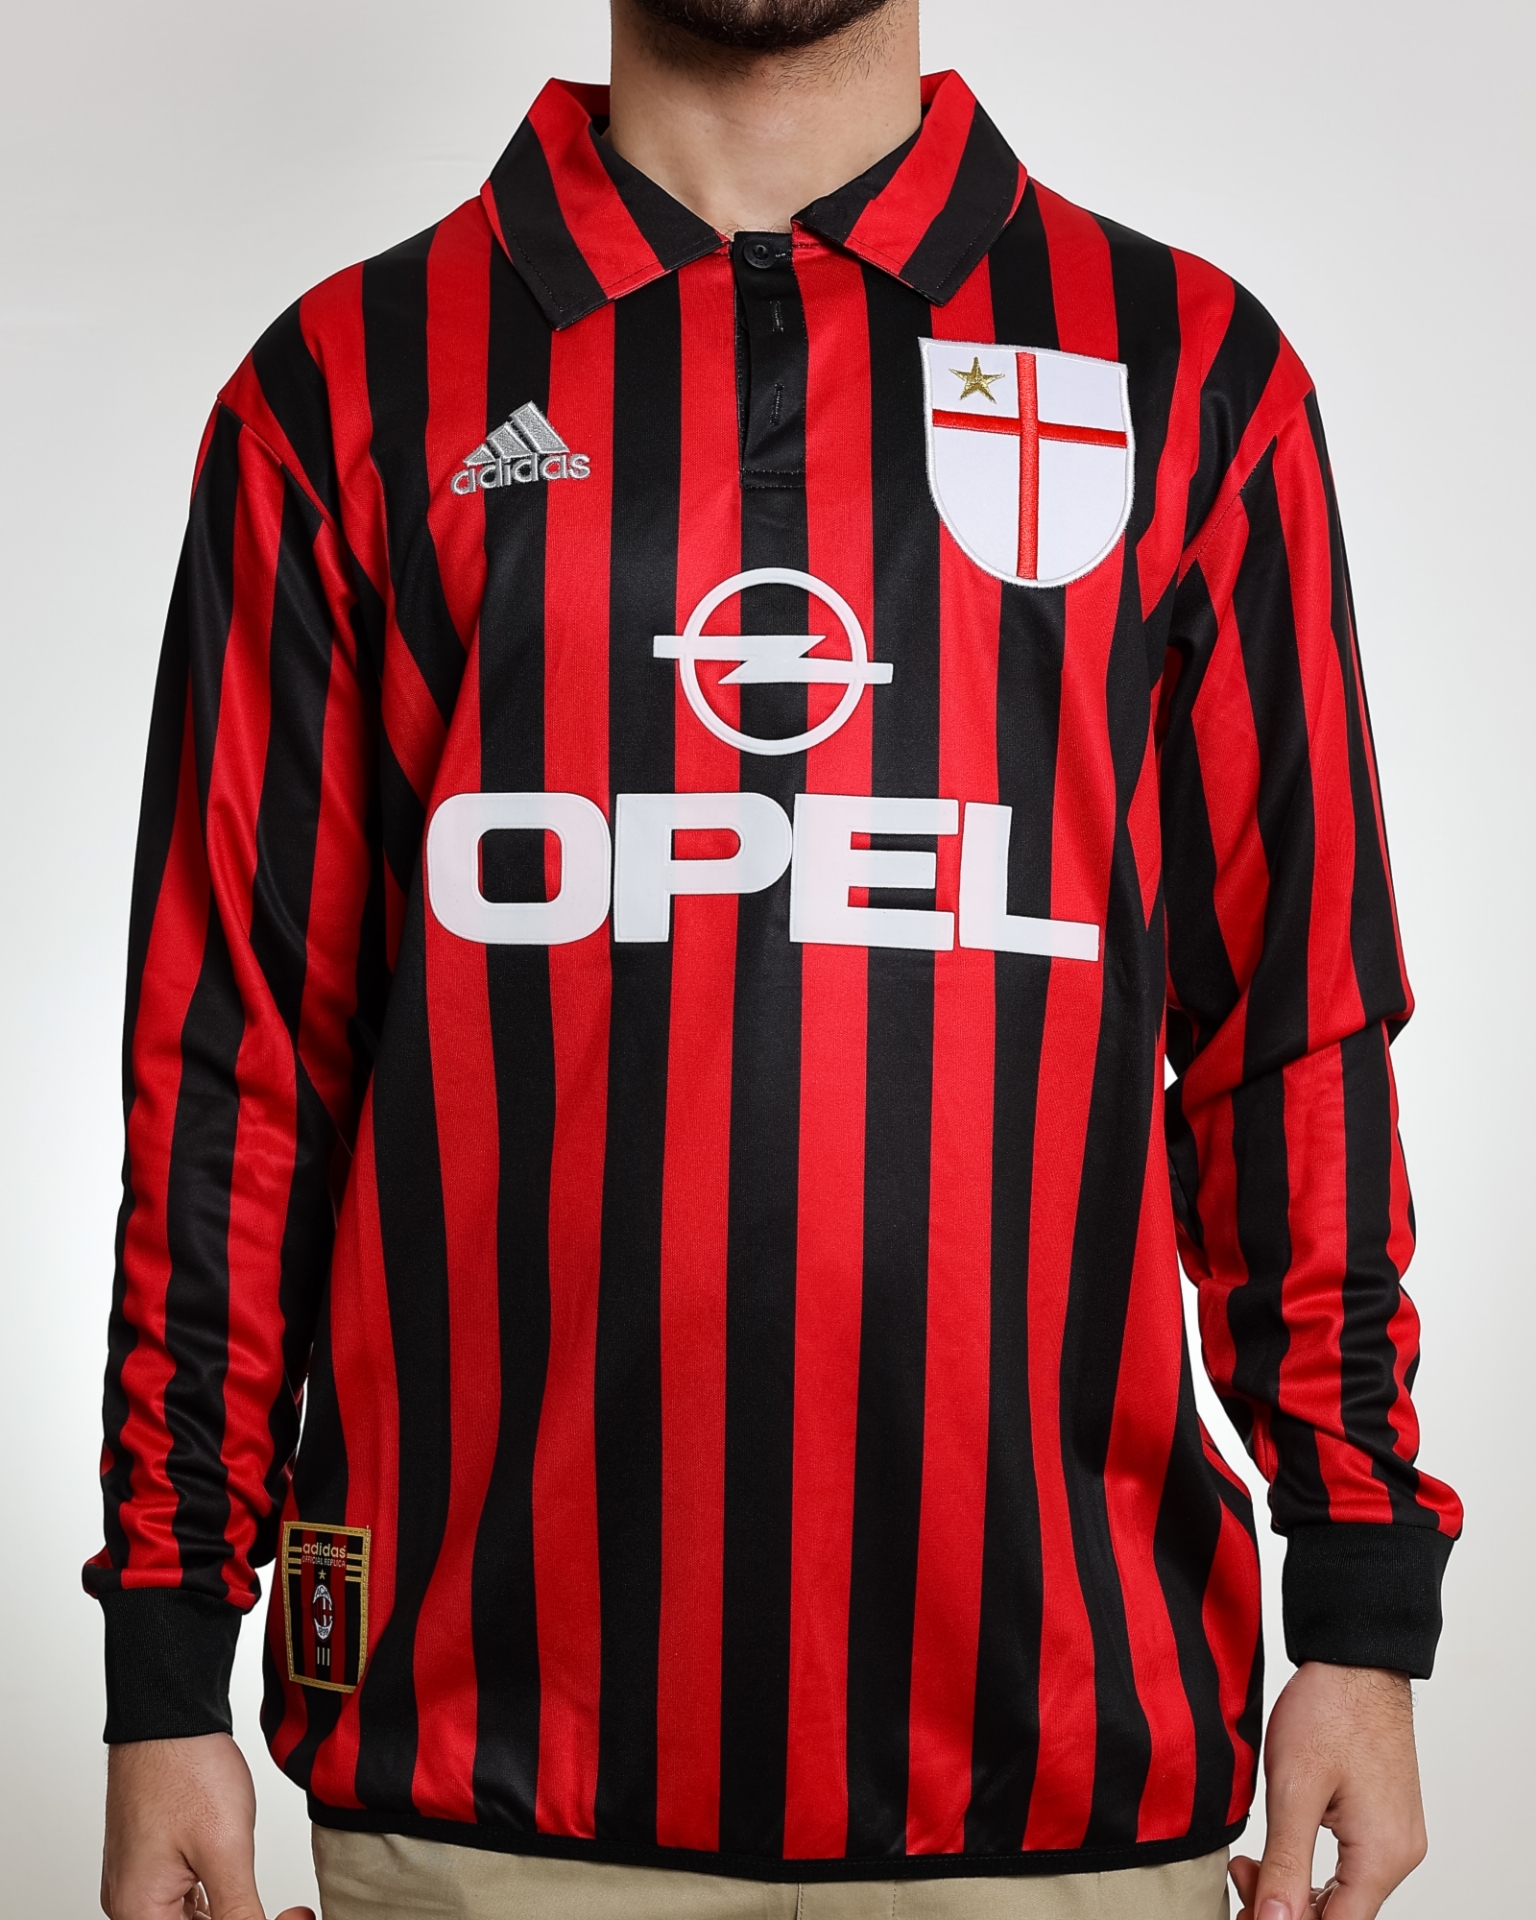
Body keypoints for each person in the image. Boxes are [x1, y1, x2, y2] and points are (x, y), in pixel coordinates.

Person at [89, 2, 1461, 1917]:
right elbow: (238, 1071)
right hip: (484, 1780)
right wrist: (167, 1666)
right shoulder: (345, 386)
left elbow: (1294, 1038)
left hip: (1060, 1774)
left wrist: (1365, 1606)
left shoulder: (1186, 370)